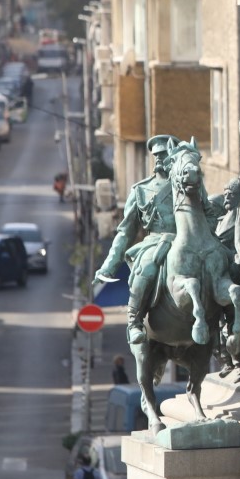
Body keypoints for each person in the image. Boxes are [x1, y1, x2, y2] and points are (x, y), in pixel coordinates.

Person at [93, 134, 182, 343]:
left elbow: (206, 213)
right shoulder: (141, 190)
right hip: (156, 241)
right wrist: (109, 266)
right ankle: (134, 320)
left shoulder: (187, 183)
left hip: (185, 238)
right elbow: (125, 232)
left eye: (165, 154)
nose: (160, 159)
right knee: (147, 269)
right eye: (156, 155)